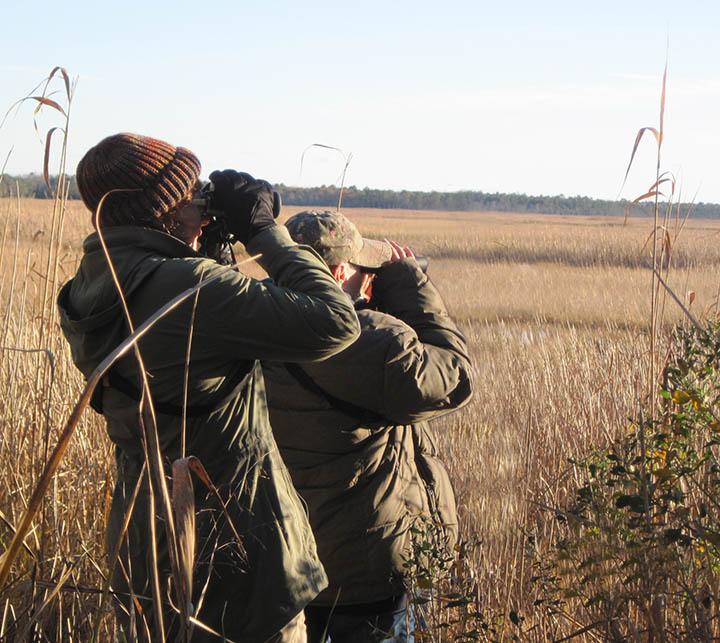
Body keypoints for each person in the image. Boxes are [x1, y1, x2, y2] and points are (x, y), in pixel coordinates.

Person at [57, 135, 362, 642]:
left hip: (147, 549)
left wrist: (207, 254)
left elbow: (187, 367)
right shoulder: (189, 288)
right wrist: (265, 232)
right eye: (190, 196)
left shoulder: (86, 288)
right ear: (163, 211)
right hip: (238, 558)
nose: (201, 207)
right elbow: (334, 322)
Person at [262, 210, 474, 642]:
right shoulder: (369, 342)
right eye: (366, 270)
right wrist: (410, 286)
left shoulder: (251, 321)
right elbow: (454, 376)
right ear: (339, 271)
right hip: (363, 574)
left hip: (285, 562)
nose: (370, 280)